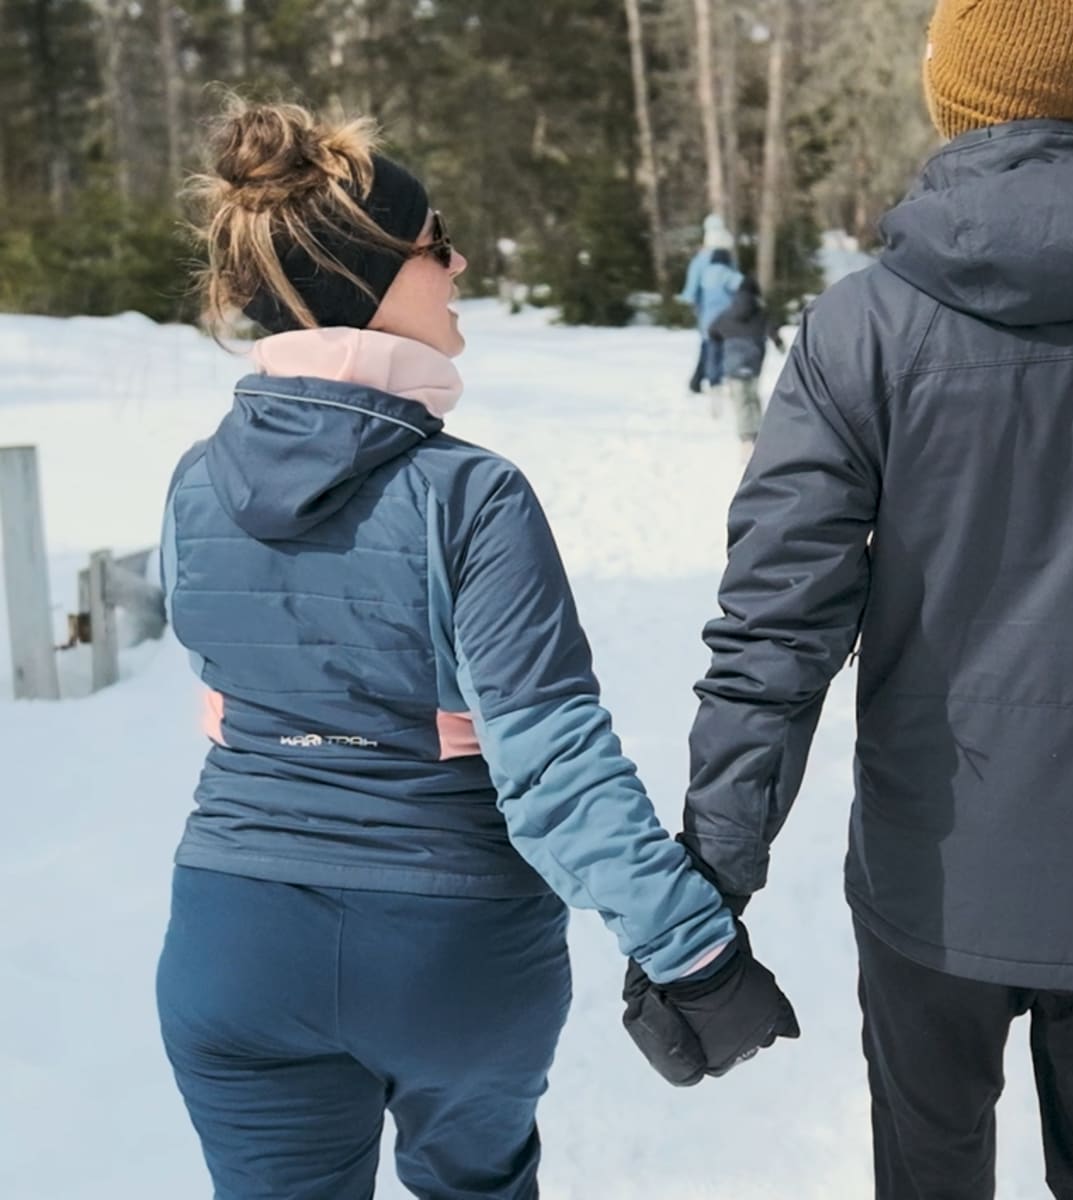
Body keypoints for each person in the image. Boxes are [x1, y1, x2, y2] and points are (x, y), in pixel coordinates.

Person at [155, 98, 797, 1200]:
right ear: (362, 281)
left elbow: (234, 698)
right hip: (447, 951)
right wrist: (695, 953)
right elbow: (551, 763)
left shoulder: (193, 483)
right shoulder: (471, 498)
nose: (456, 261)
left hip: (232, 943)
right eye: (432, 241)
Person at [647, 1, 1073, 1197]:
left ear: (948, 90)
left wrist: (712, 874)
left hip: (935, 884)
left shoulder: (862, 329)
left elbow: (778, 631)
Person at [707, 275, 785, 457]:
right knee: (752, 396)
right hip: (754, 360)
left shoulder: (727, 312)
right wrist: (779, 343)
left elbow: (712, 330)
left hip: (733, 361)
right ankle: (760, 434)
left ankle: (746, 439)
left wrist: (721, 341)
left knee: (740, 400)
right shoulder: (760, 313)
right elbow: (773, 329)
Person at [678, 213, 735, 393]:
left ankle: (700, 380)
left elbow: (691, 289)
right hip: (724, 311)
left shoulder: (701, 259)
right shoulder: (726, 256)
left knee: (709, 343)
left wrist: (693, 302)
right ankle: (709, 379)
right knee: (715, 345)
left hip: (707, 311)